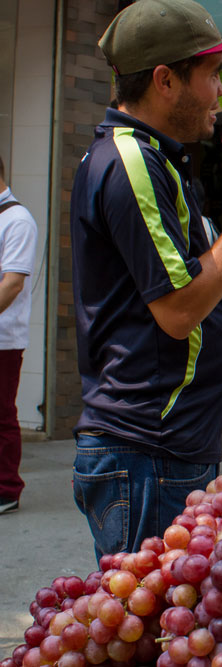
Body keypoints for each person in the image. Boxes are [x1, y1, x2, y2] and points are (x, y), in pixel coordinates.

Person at [70, 0, 222, 557]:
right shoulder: (131, 161)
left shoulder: (158, 157)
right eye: (212, 75)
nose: (221, 93)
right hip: (148, 449)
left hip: (165, 447)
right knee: (151, 631)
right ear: (165, 80)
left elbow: (172, 276)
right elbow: (176, 312)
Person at [0, 155, 37, 515]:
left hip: (3, 339)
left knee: (1, 415)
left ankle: (6, 489)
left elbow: (11, 283)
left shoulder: (17, 219)